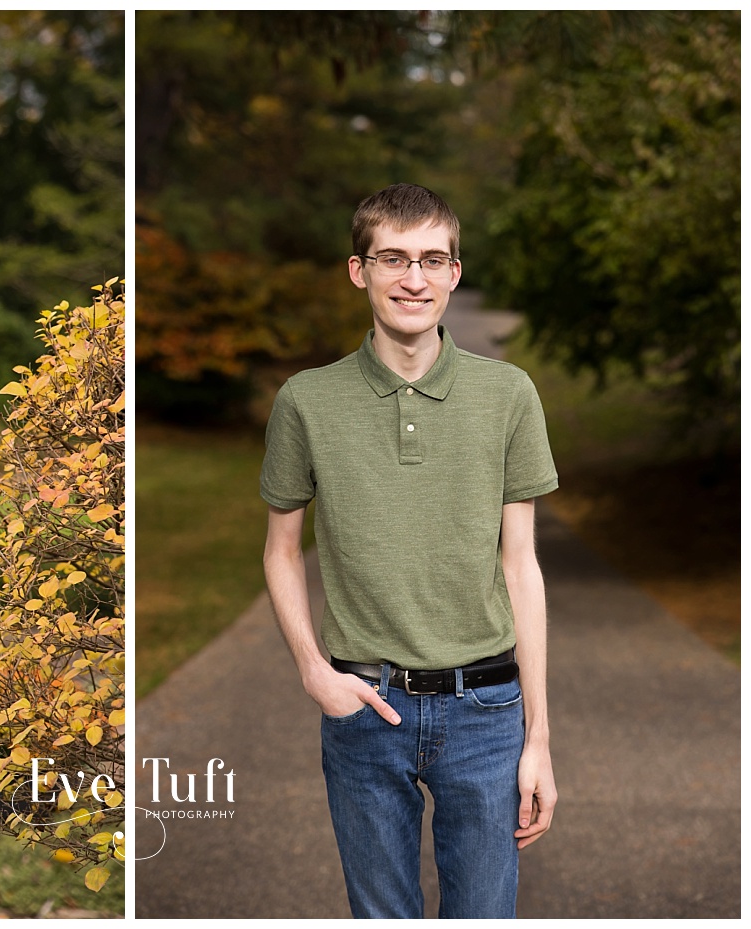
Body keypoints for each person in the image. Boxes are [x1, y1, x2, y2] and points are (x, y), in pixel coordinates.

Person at [259, 184, 558, 918]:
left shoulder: (509, 393)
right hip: (364, 707)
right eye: (393, 258)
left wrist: (539, 738)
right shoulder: (306, 400)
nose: (413, 278)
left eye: (431, 259)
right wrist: (312, 670)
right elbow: (279, 550)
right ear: (358, 270)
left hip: (488, 710)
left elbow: (521, 565)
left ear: (455, 272)